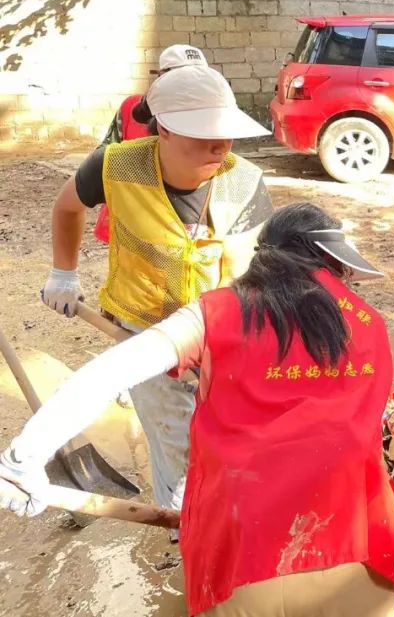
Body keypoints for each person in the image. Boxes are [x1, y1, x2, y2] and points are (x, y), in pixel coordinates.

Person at [1, 203, 394, 617]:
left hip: (242, 551)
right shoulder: (370, 324)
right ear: (333, 264)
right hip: (356, 545)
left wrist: (25, 457)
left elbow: (112, 370)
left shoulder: (211, 314)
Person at [40, 63, 273, 518]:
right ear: (163, 129)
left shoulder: (243, 180)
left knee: (233, 436)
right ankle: (183, 526)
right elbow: (66, 207)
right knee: (177, 444)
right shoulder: (116, 165)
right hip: (143, 328)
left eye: (224, 133)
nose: (220, 146)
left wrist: (232, 347)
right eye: (202, 135)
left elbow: (250, 273)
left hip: (218, 330)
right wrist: (63, 274)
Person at [93, 44, 209, 243]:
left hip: (183, 227)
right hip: (130, 222)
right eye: (182, 78)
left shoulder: (210, 115)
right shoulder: (131, 108)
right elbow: (105, 156)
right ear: (161, 78)